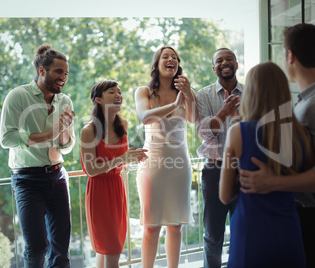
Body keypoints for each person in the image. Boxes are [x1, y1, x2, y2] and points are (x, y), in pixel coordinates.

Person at [239, 23, 315, 267]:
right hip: (299, 216)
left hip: (313, 219)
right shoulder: (306, 102)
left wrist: (274, 182)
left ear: (289, 55)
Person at [220, 61, 315, 267]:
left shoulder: (237, 133)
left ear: (251, 93)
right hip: (287, 232)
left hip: (249, 234)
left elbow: (225, 195)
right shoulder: (301, 133)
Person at [0, 45, 75, 267]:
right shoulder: (17, 96)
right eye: (58, 72)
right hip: (27, 180)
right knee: (37, 246)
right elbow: (7, 139)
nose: (63, 78)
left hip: (58, 177)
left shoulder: (65, 102)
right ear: (42, 71)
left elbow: (68, 146)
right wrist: (49, 134)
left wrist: (62, 133)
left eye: (66, 73)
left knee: (61, 246)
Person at [135, 46, 198, 268]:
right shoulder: (144, 91)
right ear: (157, 63)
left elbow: (192, 119)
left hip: (180, 164)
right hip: (152, 165)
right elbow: (144, 117)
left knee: (175, 225)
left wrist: (189, 94)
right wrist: (174, 105)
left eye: (175, 57)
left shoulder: (186, 92)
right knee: (151, 226)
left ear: (178, 65)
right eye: (166, 56)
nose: (171, 59)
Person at [80, 80, 147, 268]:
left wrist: (133, 157)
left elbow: (121, 159)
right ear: (98, 99)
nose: (119, 95)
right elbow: (91, 170)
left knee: (108, 250)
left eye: (119, 92)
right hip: (99, 193)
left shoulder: (122, 125)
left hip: (118, 189)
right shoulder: (89, 130)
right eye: (112, 92)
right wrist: (122, 158)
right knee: (112, 249)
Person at [196, 48, 242, 268]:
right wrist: (224, 112)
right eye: (220, 60)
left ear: (236, 64)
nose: (225, 63)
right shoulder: (203, 95)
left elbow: (259, 129)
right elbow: (203, 132)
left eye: (229, 59)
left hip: (245, 171)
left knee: (243, 231)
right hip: (214, 171)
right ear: (214, 68)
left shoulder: (251, 92)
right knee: (213, 235)